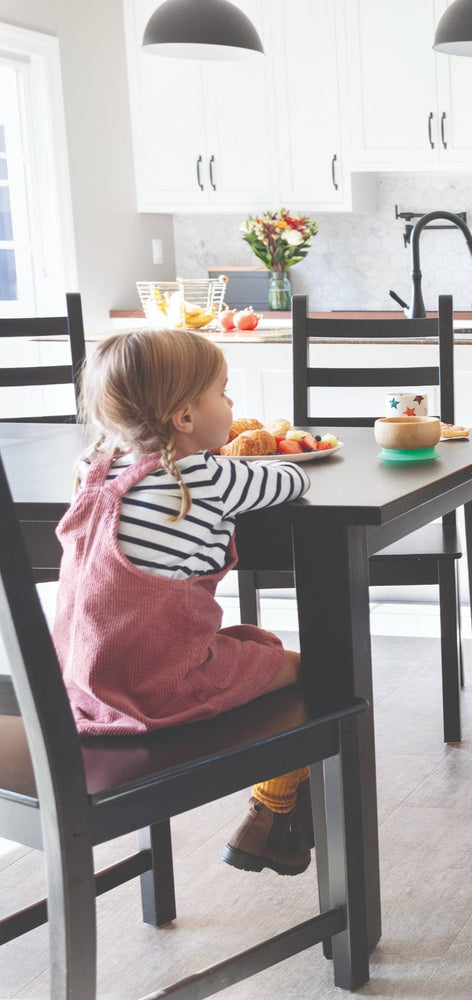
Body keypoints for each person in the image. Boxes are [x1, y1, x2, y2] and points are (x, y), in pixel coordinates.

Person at [53, 328, 315, 876]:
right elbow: (290, 480)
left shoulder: (94, 471)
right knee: (310, 670)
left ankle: (285, 826)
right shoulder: (204, 477)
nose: (232, 404)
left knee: (245, 645)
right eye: (222, 393)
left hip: (83, 689)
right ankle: (273, 813)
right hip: (159, 690)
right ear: (184, 419)